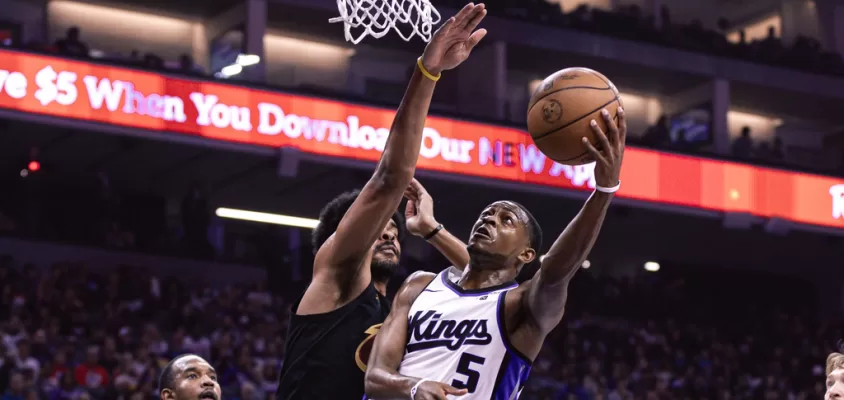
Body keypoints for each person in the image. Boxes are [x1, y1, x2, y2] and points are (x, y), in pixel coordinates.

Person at [275, 4, 488, 400]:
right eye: (379, 231)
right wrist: (429, 71)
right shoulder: (337, 275)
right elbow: (390, 179)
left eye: (394, 231)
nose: (389, 236)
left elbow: (492, 284)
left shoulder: (401, 309)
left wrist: (432, 230)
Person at [364, 108, 627, 399]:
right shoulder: (419, 285)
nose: (489, 220)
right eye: (487, 214)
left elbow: (555, 272)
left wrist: (603, 190)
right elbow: (375, 378)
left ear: (526, 255)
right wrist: (413, 387)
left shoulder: (521, 305)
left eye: (507, 220)